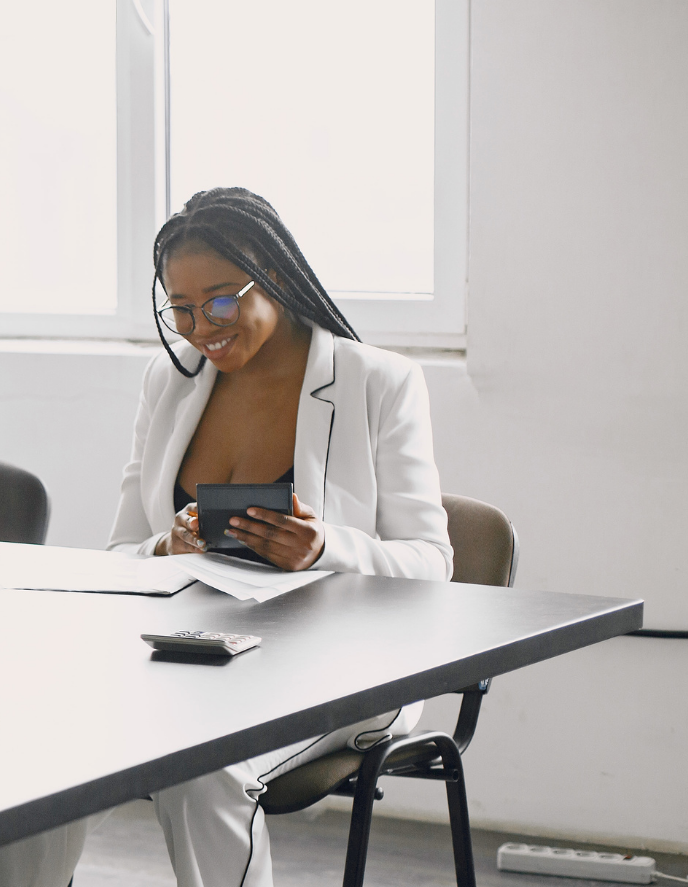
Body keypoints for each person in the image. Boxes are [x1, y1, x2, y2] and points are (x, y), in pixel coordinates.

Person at [108, 187, 452, 887]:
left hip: (343, 666)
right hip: (194, 661)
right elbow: (118, 557)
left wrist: (324, 549)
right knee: (36, 743)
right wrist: (164, 548)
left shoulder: (377, 383)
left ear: (280, 279)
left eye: (221, 302)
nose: (201, 327)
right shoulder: (168, 382)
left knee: (198, 762)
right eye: (180, 308)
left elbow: (433, 564)